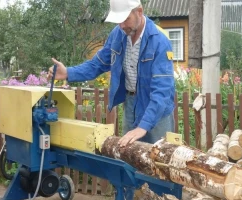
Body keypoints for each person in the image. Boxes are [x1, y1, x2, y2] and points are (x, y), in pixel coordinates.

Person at [48, 0, 175, 147]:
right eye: (118, 21)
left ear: (139, 12)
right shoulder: (117, 34)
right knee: (130, 156)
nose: (121, 25)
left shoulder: (160, 40)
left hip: (157, 111)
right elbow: (97, 64)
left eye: (125, 19)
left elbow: (162, 91)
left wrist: (143, 126)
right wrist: (68, 73)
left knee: (160, 159)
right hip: (130, 104)